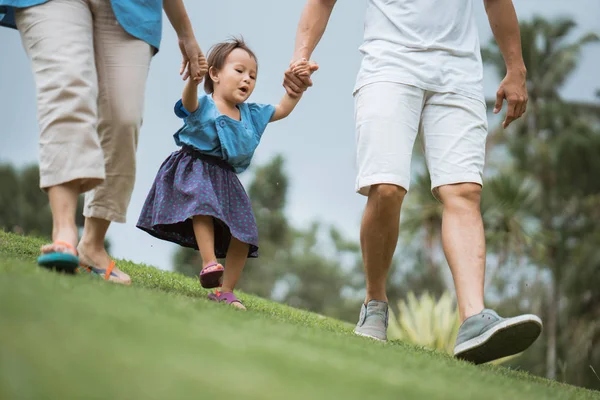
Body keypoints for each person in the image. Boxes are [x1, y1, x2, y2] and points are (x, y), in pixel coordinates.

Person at [283, 0, 542, 364]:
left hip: (459, 74)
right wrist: (301, 55)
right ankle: (375, 304)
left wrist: (516, 69)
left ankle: (473, 318)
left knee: (464, 191)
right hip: (388, 65)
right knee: (386, 187)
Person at [0, 0, 207, 284]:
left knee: (123, 117)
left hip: (132, 7)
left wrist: (186, 34)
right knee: (67, 88)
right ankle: (64, 233)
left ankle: (92, 244)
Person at [136, 38, 311, 309]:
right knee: (202, 204)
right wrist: (193, 81)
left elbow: (282, 109)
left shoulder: (251, 114)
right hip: (193, 166)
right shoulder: (203, 104)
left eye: (252, 76)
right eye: (239, 71)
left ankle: (225, 291)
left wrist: (296, 89)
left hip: (225, 177)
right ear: (215, 74)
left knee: (245, 231)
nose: (247, 79)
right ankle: (209, 263)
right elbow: (188, 102)